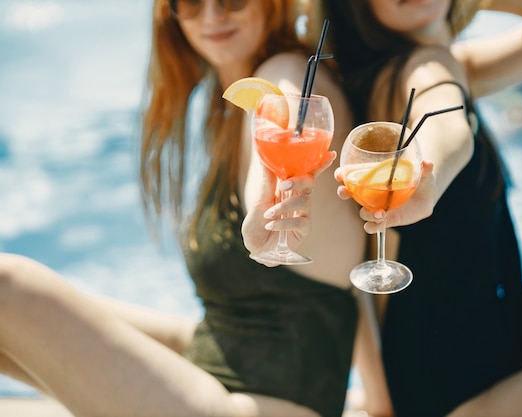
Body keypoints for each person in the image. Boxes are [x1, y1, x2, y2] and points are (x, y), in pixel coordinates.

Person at [0, 0, 367, 416]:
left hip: (265, 404)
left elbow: (285, 103)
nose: (213, 16)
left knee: (8, 287)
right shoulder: (222, 106)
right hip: (219, 366)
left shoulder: (284, 71)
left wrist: (272, 186)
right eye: (191, 2)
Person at [321, 0, 522, 416]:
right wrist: (432, 175)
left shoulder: (452, 64)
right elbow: (445, 122)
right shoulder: (420, 68)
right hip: (451, 398)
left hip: (504, 338)